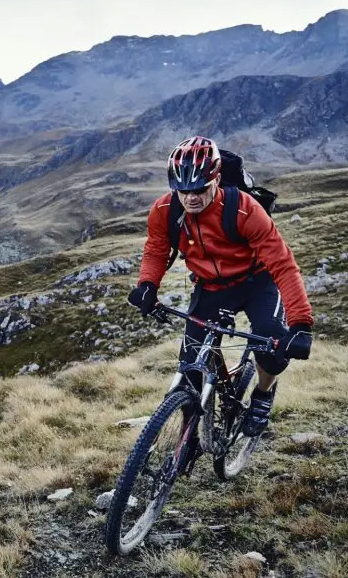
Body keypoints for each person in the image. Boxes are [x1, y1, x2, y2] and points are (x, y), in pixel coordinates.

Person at [127, 136, 313, 436]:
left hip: (257, 282)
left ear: (215, 179)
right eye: (183, 191)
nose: (190, 198)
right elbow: (156, 250)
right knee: (190, 368)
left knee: (269, 346)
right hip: (210, 287)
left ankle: (263, 394)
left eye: (199, 189)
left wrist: (301, 324)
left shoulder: (244, 209)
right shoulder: (165, 210)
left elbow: (282, 264)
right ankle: (185, 441)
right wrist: (148, 285)